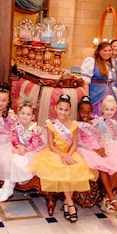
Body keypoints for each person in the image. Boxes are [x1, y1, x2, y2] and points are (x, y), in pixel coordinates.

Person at [28, 94, 95, 222]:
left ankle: (66, 202)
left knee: (75, 168)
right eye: (60, 109)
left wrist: (68, 155)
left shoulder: (74, 124)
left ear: (70, 111)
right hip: (55, 153)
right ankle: (70, 203)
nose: (63, 112)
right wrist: (63, 156)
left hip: (70, 152)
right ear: (55, 108)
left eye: (66, 110)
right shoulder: (51, 125)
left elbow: (74, 143)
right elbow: (51, 145)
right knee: (63, 169)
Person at [76, 97, 117, 219]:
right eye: (83, 112)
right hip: (86, 150)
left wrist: (101, 147)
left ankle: (106, 199)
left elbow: (99, 137)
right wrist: (94, 150)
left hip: (99, 148)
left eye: (88, 112)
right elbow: (78, 142)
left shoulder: (95, 123)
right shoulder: (77, 125)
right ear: (78, 112)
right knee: (103, 167)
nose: (86, 115)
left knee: (115, 164)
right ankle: (113, 200)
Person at [0, 98, 46, 202]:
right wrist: (17, 146)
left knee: (17, 161)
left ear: (33, 116)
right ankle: (7, 188)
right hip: (19, 148)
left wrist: (25, 149)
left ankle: (8, 189)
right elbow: (13, 138)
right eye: (23, 113)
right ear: (19, 114)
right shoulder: (17, 126)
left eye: (28, 114)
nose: (25, 116)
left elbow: (34, 143)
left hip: (30, 151)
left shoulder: (34, 128)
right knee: (8, 159)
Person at [80, 43, 117, 135]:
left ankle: (108, 138)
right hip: (96, 94)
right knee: (97, 118)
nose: (107, 53)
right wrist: (86, 99)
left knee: (110, 117)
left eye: (109, 50)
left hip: (109, 94)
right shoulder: (92, 61)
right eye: (104, 50)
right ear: (99, 51)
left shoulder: (109, 64)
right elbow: (86, 81)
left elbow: (112, 84)